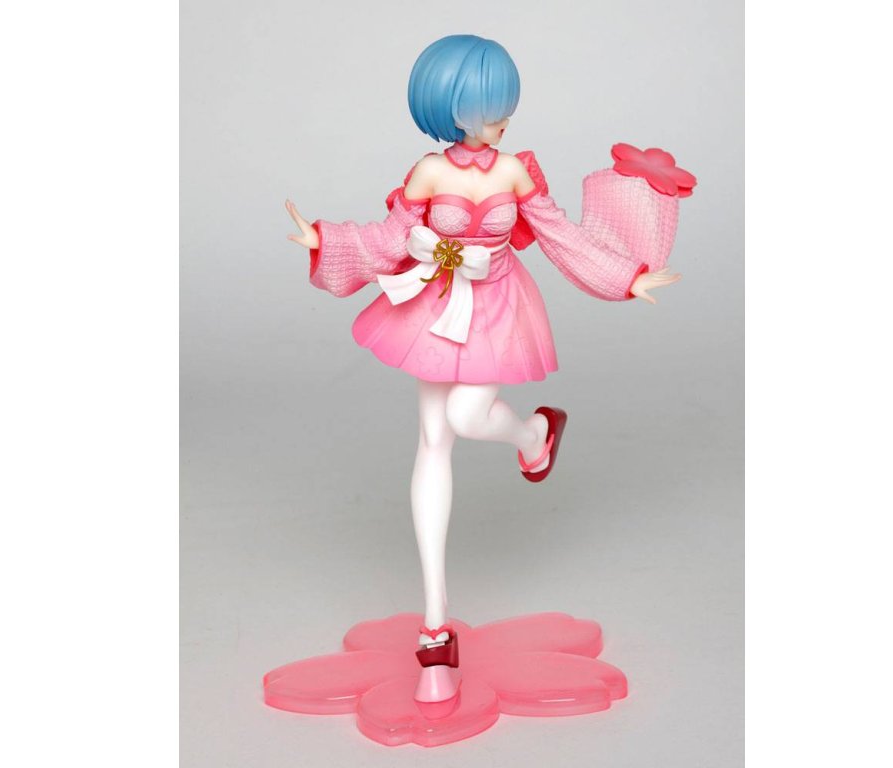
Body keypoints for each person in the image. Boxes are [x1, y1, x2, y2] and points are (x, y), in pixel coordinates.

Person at [285, 34, 693, 703]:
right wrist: (325, 241)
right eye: (490, 107)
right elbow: (389, 239)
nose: (504, 118)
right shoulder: (427, 172)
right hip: (433, 301)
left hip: (496, 304)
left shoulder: (514, 171)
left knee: (467, 414)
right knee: (432, 441)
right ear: (453, 111)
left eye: (506, 105)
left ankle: (534, 434)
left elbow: (560, 235)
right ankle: (435, 629)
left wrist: (626, 277)